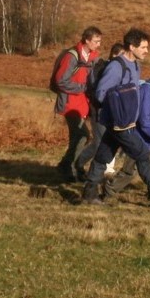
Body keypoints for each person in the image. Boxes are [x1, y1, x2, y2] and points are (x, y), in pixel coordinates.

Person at [81, 28, 150, 208]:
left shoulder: (135, 66)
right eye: (143, 47)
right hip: (119, 124)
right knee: (142, 154)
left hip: (125, 123)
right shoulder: (116, 66)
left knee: (103, 155)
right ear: (132, 47)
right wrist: (119, 106)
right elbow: (101, 94)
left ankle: (89, 192)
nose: (146, 51)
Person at [105, 61, 150, 202]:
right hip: (140, 138)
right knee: (129, 171)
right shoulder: (148, 89)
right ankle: (109, 190)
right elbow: (143, 119)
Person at [53, 26, 102, 182]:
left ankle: (68, 167)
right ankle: (68, 166)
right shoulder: (72, 56)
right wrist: (83, 88)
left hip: (82, 104)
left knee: (77, 137)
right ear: (87, 40)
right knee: (82, 135)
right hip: (70, 104)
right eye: (96, 41)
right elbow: (61, 81)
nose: (99, 44)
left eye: (99, 41)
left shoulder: (93, 58)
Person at [74, 42, 124, 181]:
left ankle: (81, 164)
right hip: (100, 110)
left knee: (102, 142)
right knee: (101, 143)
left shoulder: (120, 69)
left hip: (113, 111)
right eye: (122, 55)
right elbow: (98, 93)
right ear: (114, 54)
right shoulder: (102, 68)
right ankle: (89, 170)